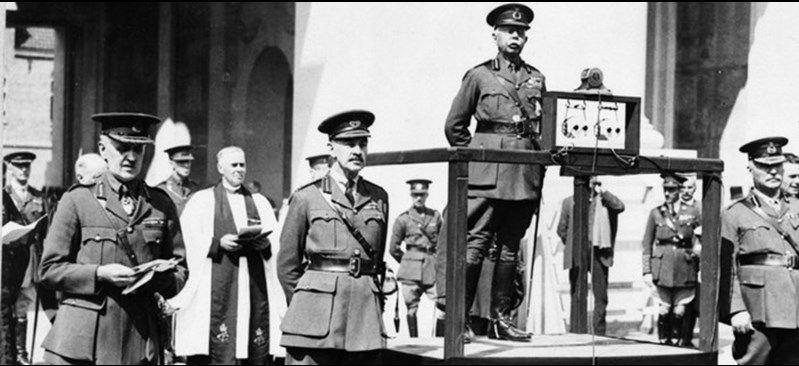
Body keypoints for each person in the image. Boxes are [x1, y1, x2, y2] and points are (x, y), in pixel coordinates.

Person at [39, 112, 187, 365]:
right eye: (122, 148)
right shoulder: (77, 200)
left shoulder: (161, 204)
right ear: (103, 149)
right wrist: (99, 274)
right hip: (85, 343)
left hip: (140, 340)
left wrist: (154, 279)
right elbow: (49, 270)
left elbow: (180, 270)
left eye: (138, 149)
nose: (131, 157)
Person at [438, 3, 543, 342]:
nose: (515, 36)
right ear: (495, 35)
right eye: (509, 31)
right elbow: (455, 125)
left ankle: (501, 320)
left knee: (511, 246)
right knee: (476, 244)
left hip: (524, 172)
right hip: (488, 173)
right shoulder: (479, 75)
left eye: (521, 32)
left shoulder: (536, 78)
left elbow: (542, 126)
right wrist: (478, 158)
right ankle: (460, 320)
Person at [278, 110, 389, 364]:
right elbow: (287, 265)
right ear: (331, 148)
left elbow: (376, 260)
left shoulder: (379, 197)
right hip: (314, 319)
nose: (357, 150)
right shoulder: (307, 197)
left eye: (362, 143)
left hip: (363, 320)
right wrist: (306, 306)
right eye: (349, 144)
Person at [168, 146, 285, 364]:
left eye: (242, 165)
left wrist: (265, 245)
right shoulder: (203, 200)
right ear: (220, 168)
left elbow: (276, 242)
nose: (239, 169)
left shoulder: (259, 202)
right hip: (217, 278)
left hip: (252, 281)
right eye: (234, 165)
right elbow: (187, 238)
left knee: (251, 339)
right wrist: (216, 243)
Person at [722, 137, 799, 364]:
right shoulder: (735, 213)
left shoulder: (796, 207)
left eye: (777, 165)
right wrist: (736, 309)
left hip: (795, 308)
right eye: (764, 166)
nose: (772, 172)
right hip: (758, 311)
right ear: (750, 167)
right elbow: (726, 268)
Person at [557, 176, 625, 336]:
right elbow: (561, 229)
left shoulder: (604, 201)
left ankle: (598, 332)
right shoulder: (569, 202)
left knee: (600, 296)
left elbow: (620, 206)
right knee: (577, 294)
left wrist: (603, 192)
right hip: (578, 253)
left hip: (599, 252)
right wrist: (574, 244)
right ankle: (576, 330)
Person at [641, 173, 700, 346]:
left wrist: (700, 261)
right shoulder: (656, 213)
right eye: (665, 189)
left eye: (672, 190)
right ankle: (663, 344)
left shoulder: (693, 212)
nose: (667, 193)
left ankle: (677, 344)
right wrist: (646, 270)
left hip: (685, 267)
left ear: (679, 190)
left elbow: (701, 240)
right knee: (664, 309)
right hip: (662, 268)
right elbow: (646, 243)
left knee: (680, 310)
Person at [2, 152, 49, 365]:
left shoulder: (39, 197)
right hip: (7, 260)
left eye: (27, 166)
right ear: (10, 167)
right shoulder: (5, 194)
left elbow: (45, 230)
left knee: (23, 304)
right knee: (6, 306)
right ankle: (9, 351)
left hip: (30, 259)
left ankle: (21, 353)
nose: (23, 170)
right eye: (19, 166)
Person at [389, 179, 441, 338]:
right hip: (411, 271)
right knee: (411, 309)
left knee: (442, 305)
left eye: (422, 194)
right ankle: (414, 342)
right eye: (415, 195)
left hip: (431, 267)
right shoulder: (403, 219)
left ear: (427, 195)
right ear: (411, 195)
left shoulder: (435, 216)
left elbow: (442, 242)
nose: (419, 198)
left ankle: (442, 342)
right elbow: (393, 248)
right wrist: (408, 262)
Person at [677, 175, 702, 347]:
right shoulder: (673, 207)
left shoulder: (700, 208)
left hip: (693, 260)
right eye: (683, 188)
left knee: (691, 301)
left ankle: (686, 338)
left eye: (690, 188)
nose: (686, 191)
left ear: (695, 189)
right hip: (675, 260)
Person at [157, 144, 199, 215]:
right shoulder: (162, 190)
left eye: (188, 161)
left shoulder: (195, 188)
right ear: (171, 163)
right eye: (181, 161)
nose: (186, 165)